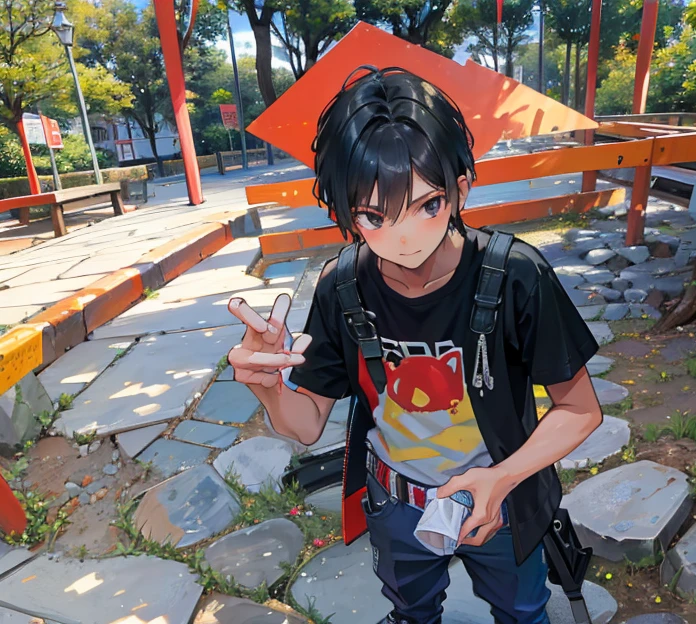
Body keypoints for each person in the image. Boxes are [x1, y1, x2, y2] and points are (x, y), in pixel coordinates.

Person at [228, 66, 603, 624]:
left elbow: (580, 410)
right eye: (374, 216)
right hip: (396, 502)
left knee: (524, 613)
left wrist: (503, 478)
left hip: (499, 501)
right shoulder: (343, 285)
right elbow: (306, 425)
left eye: (428, 205)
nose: (404, 238)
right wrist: (269, 388)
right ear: (345, 212)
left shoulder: (514, 274)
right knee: (411, 612)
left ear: (460, 189)